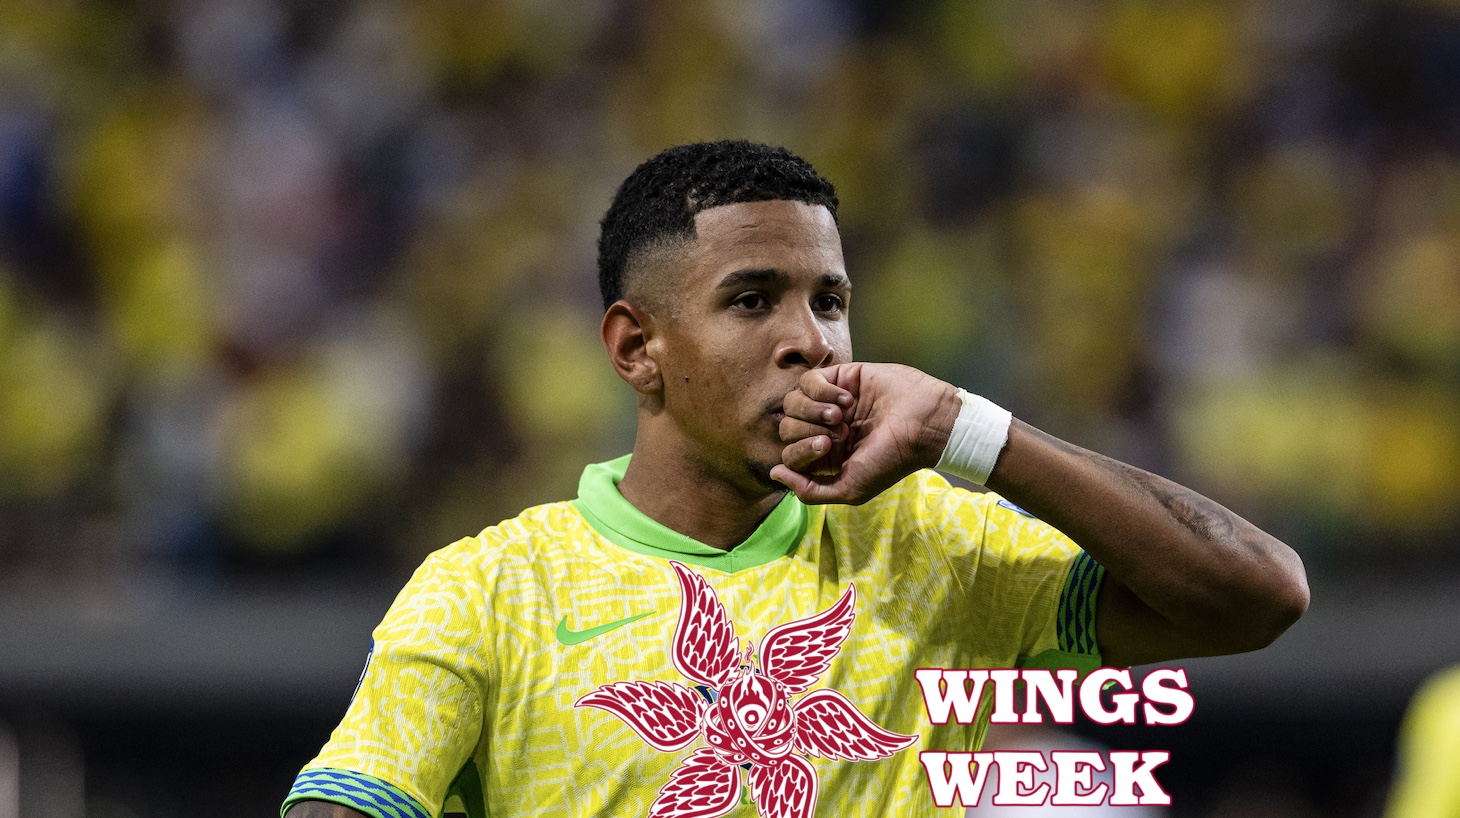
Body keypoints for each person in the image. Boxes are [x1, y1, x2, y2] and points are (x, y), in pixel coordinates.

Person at [279, 141, 1308, 818]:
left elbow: (1258, 595)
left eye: (829, 300)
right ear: (635, 347)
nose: (808, 340)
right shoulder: (491, 587)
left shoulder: (932, 542)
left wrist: (967, 429)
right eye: (752, 299)